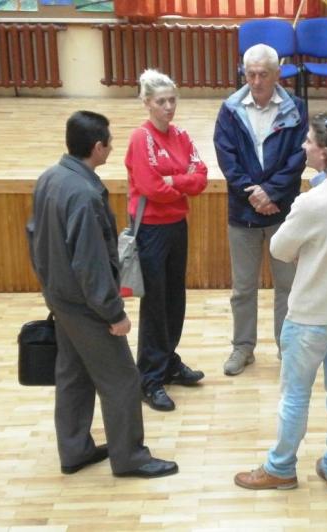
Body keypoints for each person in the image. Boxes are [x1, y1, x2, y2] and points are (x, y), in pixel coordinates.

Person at [27, 110, 178, 478]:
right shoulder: (84, 195)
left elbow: (33, 237)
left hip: (60, 297)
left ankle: (74, 450)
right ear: (97, 147)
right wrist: (114, 313)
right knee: (123, 378)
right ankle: (130, 458)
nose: (111, 148)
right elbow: (90, 263)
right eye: (109, 143)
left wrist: (50, 289)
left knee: (73, 374)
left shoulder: (49, 178)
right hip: (87, 305)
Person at [234, 113, 327, 493]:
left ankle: (280, 468)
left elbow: (279, 249)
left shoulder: (311, 202)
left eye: (309, 141)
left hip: (311, 315)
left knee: (295, 395)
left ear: (325, 152)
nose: (303, 146)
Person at [213, 43, 307, 376]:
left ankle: (286, 347)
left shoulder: (296, 108)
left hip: (283, 211)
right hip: (243, 212)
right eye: (250, 74)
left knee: (287, 286)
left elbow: (299, 156)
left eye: (263, 74)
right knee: (242, 289)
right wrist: (253, 194)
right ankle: (242, 348)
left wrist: (271, 193)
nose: (255, 81)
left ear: (277, 74)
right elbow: (226, 157)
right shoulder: (230, 109)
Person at [125, 69, 208, 412]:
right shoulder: (140, 138)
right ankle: (149, 378)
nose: (169, 107)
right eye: (161, 101)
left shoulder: (182, 135)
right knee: (155, 303)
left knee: (175, 298)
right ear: (147, 103)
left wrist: (172, 181)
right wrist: (179, 181)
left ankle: (167, 360)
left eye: (172, 100)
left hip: (176, 225)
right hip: (150, 229)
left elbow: (201, 177)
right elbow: (150, 187)